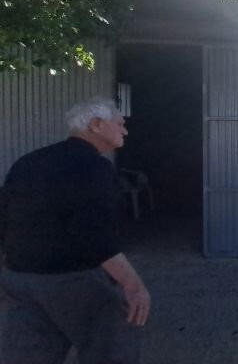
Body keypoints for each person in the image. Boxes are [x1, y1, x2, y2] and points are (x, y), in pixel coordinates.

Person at [0, 97, 150, 364]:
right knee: (112, 349)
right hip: (74, 280)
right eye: (120, 123)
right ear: (96, 125)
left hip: (20, 278)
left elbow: (5, 217)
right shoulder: (95, 168)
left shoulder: (28, 162)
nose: (124, 131)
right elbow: (96, 236)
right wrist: (133, 284)